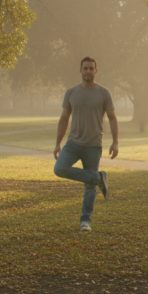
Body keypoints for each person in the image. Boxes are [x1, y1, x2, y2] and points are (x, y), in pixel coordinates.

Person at [54, 57, 119, 233]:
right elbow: (64, 118)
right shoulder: (71, 92)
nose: (88, 71)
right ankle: (99, 178)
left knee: (89, 187)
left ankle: (85, 221)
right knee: (59, 169)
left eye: (91, 68)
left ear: (96, 71)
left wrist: (115, 142)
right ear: (80, 70)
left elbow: (112, 118)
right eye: (85, 68)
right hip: (73, 143)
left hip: (93, 145)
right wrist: (58, 143)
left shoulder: (104, 93)